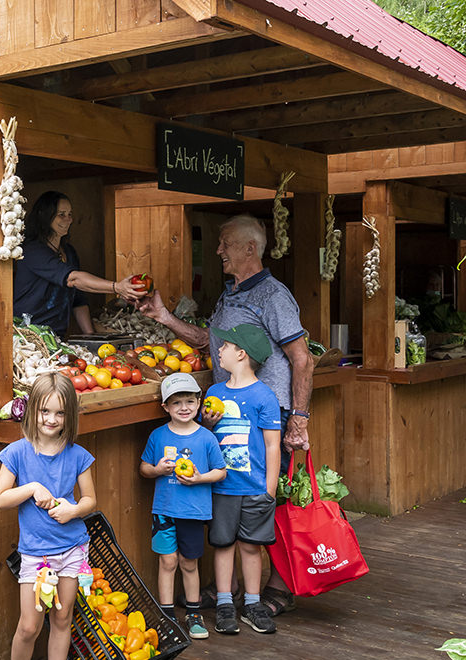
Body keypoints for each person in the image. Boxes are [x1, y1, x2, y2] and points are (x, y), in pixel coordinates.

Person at [133, 213, 314, 615]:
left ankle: (277, 586)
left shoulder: (273, 296)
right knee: (230, 499)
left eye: (225, 244)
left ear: (250, 248)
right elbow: (206, 341)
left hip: (267, 416)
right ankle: (228, 588)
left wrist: (298, 419)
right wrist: (163, 317)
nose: (217, 251)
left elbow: (302, 359)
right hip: (228, 417)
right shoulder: (230, 294)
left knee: (268, 499)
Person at [0, 372, 97, 660]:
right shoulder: (16, 453)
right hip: (36, 555)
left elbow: (90, 500)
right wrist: (32, 487)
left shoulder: (78, 455)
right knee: (28, 627)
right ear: (32, 409)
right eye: (45, 411)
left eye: (60, 413)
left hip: (72, 549)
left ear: (70, 416)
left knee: (62, 621)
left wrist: (73, 510)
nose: (51, 419)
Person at [201, 324, 282, 635]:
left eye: (224, 345)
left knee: (251, 547)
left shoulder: (264, 396)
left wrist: (270, 489)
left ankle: (252, 603)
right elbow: (205, 441)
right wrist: (207, 426)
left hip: (255, 487)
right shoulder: (214, 393)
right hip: (221, 486)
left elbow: (273, 444)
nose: (219, 350)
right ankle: (224, 603)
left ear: (241, 353)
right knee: (222, 544)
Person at [140, 373, 226, 640]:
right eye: (177, 403)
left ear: (199, 403)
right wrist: (156, 469)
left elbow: (220, 472)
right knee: (167, 561)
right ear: (165, 407)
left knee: (189, 563)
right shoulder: (158, 436)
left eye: (190, 401)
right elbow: (143, 468)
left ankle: (193, 612)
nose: (184, 407)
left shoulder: (206, 438)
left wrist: (199, 478)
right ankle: (166, 615)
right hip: (164, 509)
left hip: (193, 511)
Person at [13, 191, 142, 336]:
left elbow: (78, 298)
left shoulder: (69, 252)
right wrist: (117, 287)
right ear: (45, 216)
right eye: (61, 214)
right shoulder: (33, 251)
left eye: (70, 214)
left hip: (56, 335)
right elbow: (73, 279)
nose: (68, 219)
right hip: (28, 333)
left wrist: (90, 335)